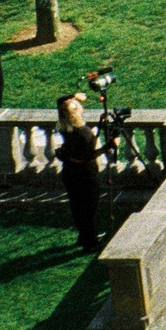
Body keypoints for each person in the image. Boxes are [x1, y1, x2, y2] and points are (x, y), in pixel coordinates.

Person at [55, 91, 106, 252]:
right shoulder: (84, 132)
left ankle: (84, 236)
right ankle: (91, 243)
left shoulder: (64, 127)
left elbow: (60, 101)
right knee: (90, 208)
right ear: (76, 112)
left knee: (78, 206)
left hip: (70, 173)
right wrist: (110, 146)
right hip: (85, 174)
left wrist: (73, 97)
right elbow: (89, 155)